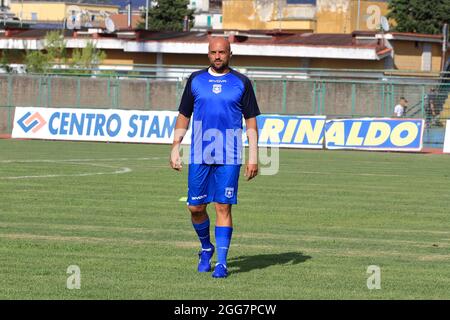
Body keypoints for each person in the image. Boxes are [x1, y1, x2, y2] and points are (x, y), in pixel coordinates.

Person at [169, 37, 260, 278]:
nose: (217, 56)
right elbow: (183, 114)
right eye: (213, 52)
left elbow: (251, 120)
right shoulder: (196, 80)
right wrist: (175, 145)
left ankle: (222, 263)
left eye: (222, 52)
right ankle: (206, 248)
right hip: (200, 153)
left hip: (229, 154)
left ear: (230, 53)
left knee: (223, 206)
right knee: (195, 207)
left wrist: (253, 154)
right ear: (208, 54)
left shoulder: (242, 82)